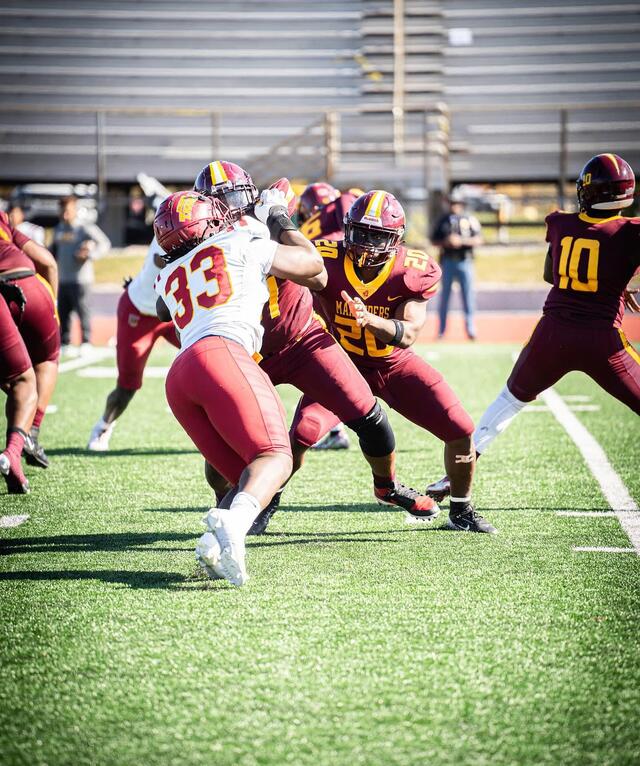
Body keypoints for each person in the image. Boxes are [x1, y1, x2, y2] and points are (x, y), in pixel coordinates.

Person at [194, 163, 439, 537]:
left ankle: (386, 487)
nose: (228, 209)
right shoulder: (198, 240)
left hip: (304, 338)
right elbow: (166, 305)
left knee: (370, 419)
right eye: (218, 202)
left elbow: (318, 271)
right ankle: (233, 506)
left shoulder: (267, 220)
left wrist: (277, 218)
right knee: (226, 446)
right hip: (247, 350)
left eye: (234, 198)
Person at [255, 190, 496, 535]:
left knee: (460, 430)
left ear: (395, 239)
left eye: (377, 236)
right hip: (338, 365)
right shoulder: (326, 257)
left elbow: (409, 333)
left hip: (392, 364)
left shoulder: (411, 269)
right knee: (303, 433)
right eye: (361, 233)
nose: (366, 244)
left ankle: (461, 510)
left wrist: (373, 321)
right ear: (347, 228)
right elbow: (282, 262)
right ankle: (266, 504)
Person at [427, 153, 640, 501]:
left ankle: (453, 476)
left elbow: (550, 275)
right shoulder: (631, 232)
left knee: (509, 401)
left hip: (552, 334)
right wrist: (618, 284)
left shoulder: (559, 223)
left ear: (587, 191)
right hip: (603, 339)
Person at [154, 184, 325, 586]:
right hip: (224, 354)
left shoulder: (168, 273)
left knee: (246, 478)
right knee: (275, 459)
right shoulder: (240, 241)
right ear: (210, 221)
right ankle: (230, 532)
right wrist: (277, 214)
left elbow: (163, 305)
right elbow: (313, 265)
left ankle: (212, 547)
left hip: (181, 376)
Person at [86, 234, 179, 451]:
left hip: (172, 312)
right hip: (140, 312)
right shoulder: (173, 224)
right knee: (127, 386)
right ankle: (103, 426)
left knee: (211, 356)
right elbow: (160, 261)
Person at [298, 184, 364, 450]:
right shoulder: (343, 202)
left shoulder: (307, 228)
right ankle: (337, 427)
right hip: (341, 277)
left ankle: (338, 426)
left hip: (318, 285)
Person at [0, 210, 59, 470]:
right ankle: (29, 434)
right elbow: (47, 262)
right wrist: (53, 305)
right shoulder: (4, 223)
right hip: (26, 283)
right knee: (45, 361)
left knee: (17, 378)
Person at [51, 196, 110, 355]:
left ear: (75, 210)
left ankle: (85, 341)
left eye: (68, 211)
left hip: (81, 279)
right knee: (63, 312)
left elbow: (105, 243)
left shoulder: (84, 228)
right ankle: (65, 342)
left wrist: (90, 254)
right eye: (62, 211)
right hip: (63, 278)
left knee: (83, 311)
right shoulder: (58, 229)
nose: (65, 215)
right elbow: (52, 252)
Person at [431, 189, 482, 340]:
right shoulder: (443, 220)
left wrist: (461, 241)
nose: (454, 206)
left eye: (457, 203)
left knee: (468, 296)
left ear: (462, 204)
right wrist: (446, 242)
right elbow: (433, 240)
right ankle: (441, 330)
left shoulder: (469, 219)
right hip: (447, 262)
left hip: (465, 261)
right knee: (444, 297)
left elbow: (479, 239)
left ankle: (470, 329)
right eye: (452, 203)